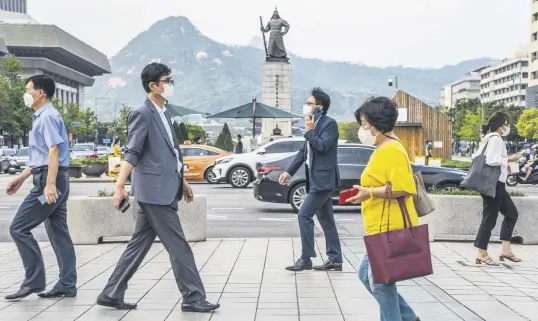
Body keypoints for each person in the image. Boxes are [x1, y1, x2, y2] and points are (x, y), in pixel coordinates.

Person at [96, 63, 219, 312]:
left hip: (163, 187)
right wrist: (119, 186)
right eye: (167, 80)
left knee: (139, 243)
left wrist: (182, 181)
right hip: (153, 191)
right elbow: (132, 152)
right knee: (178, 244)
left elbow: (171, 152)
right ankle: (193, 297)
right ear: (153, 85)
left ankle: (111, 293)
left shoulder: (163, 112)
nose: (170, 84)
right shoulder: (142, 112)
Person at [345, 97, 420, 321]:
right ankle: (409, 317)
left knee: (381, 283)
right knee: (368, 276)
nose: (363, 129)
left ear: (377, 124)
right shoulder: (382, 147)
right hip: (379, 225)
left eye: (365, 123)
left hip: (391, 226)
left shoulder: (392, 149)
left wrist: (369, 193)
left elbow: (404, 188)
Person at [5, 75, 77, 300]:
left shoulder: (46, 117)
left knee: (18, 227)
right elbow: (42, 157)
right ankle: (67, 283)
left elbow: (54, 151)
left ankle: (34, 281)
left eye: (28, 90)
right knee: (59, 233)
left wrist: (49, 186)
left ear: (41, 92)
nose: (26, 94)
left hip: (49, 182)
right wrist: (21, 177)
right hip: (53, 178)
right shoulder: (44, 116)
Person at [279, 87, 343, 272]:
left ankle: (306, 258)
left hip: (324, 179)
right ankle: (335, 259)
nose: (306, 106)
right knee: (326, 220)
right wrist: (289, 172)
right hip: (315, 179)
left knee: (304, 214)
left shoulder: (330, 124)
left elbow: (322, 146)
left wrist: (309, 131)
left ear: (319, 107)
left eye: (309, 103)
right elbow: (304, 152)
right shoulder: (312, 124)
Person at [474, 112, 522, 265]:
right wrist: (510, 159)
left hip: (498, 184)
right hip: (493, 184)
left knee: (511, 214)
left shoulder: (491, 138)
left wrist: (506, 165)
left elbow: (494, 160)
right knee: (489, 219)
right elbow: (492, 160)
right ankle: (482, 253)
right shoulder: (495, 138)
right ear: (502, 125)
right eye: (507, 123)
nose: (508, 126)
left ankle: (506, 250)